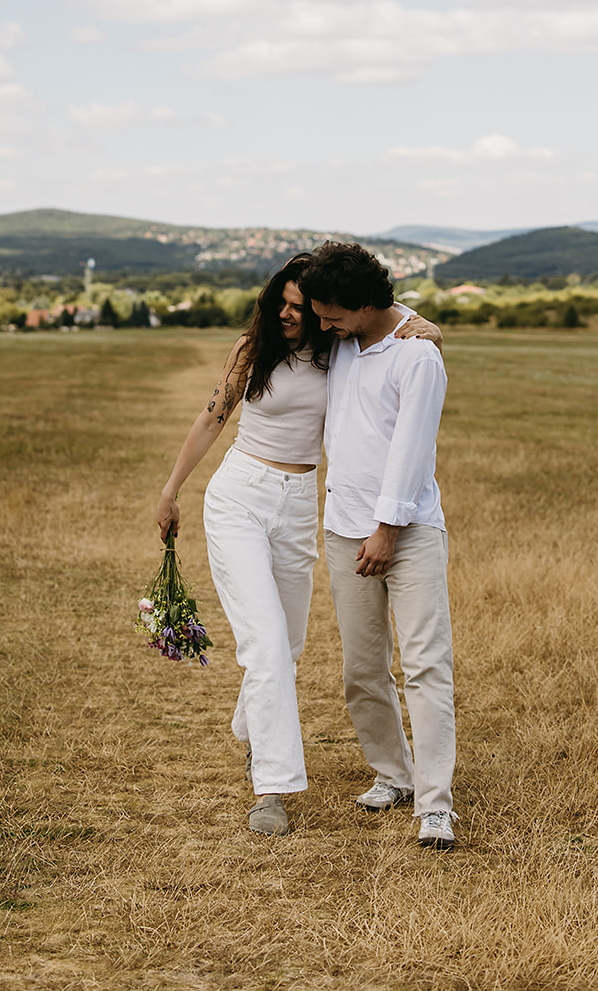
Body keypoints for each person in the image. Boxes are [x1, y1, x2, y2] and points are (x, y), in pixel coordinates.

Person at [156, 253, 440, 838]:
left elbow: (390, 334)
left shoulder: (338, 350)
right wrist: (170, 489)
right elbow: (213, 417)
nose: (288, 314)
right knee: (264, 645)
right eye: (280, 303)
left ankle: (257, 727)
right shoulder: (250, 348)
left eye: (298, 307)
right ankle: (273, 787)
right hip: (239, 495)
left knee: (286, 646)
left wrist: (433, 330)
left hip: (298, 505)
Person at [299, 241, 455, 851]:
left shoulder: (417, 356)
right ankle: (394, 775)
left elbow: (411, 451)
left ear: (366, 304)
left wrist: (386, 531)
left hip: (408, 532)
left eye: (331, 312)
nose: (322, 323)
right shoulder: (338, 342)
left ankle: (436, 806)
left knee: (425, 666)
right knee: (362, 669)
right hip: (342, 528)